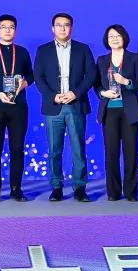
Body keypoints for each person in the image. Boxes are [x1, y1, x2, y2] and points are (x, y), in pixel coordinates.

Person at [34, 13, 97, 202]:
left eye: (66, 25)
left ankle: (80, 187)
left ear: (71, 28)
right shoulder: (43, 50)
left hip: (75, 104)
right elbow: (38, 77)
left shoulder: (82, 49)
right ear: (52, 28)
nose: (62, 28)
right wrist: (52, 96)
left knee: (78, 148)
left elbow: (91, 75)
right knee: (54, 150)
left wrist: (75, 93)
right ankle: (56, 187)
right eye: (59, 25)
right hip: (54, 105)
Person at [0, 14, 34, 202]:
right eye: (4, 27)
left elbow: (31, 76)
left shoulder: (23, 52)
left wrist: (25, 83)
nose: (8, 30)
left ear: (15, 31)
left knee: (17, 148)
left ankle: (16, 188)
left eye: (11, 27)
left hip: (18, 106)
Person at [95, 25, 138, 202]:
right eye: (111, 36)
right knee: (111, 152)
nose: (115, 39)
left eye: (118, 35)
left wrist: (126, 81)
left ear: (124, 37)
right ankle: (113, 192)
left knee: (131, 151)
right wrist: (103, 93)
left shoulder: (135, 58)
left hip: (130, 110)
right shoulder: (102, 60)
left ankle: (131, 192)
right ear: (106, 40)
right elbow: (96, 85)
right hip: (109, 111)